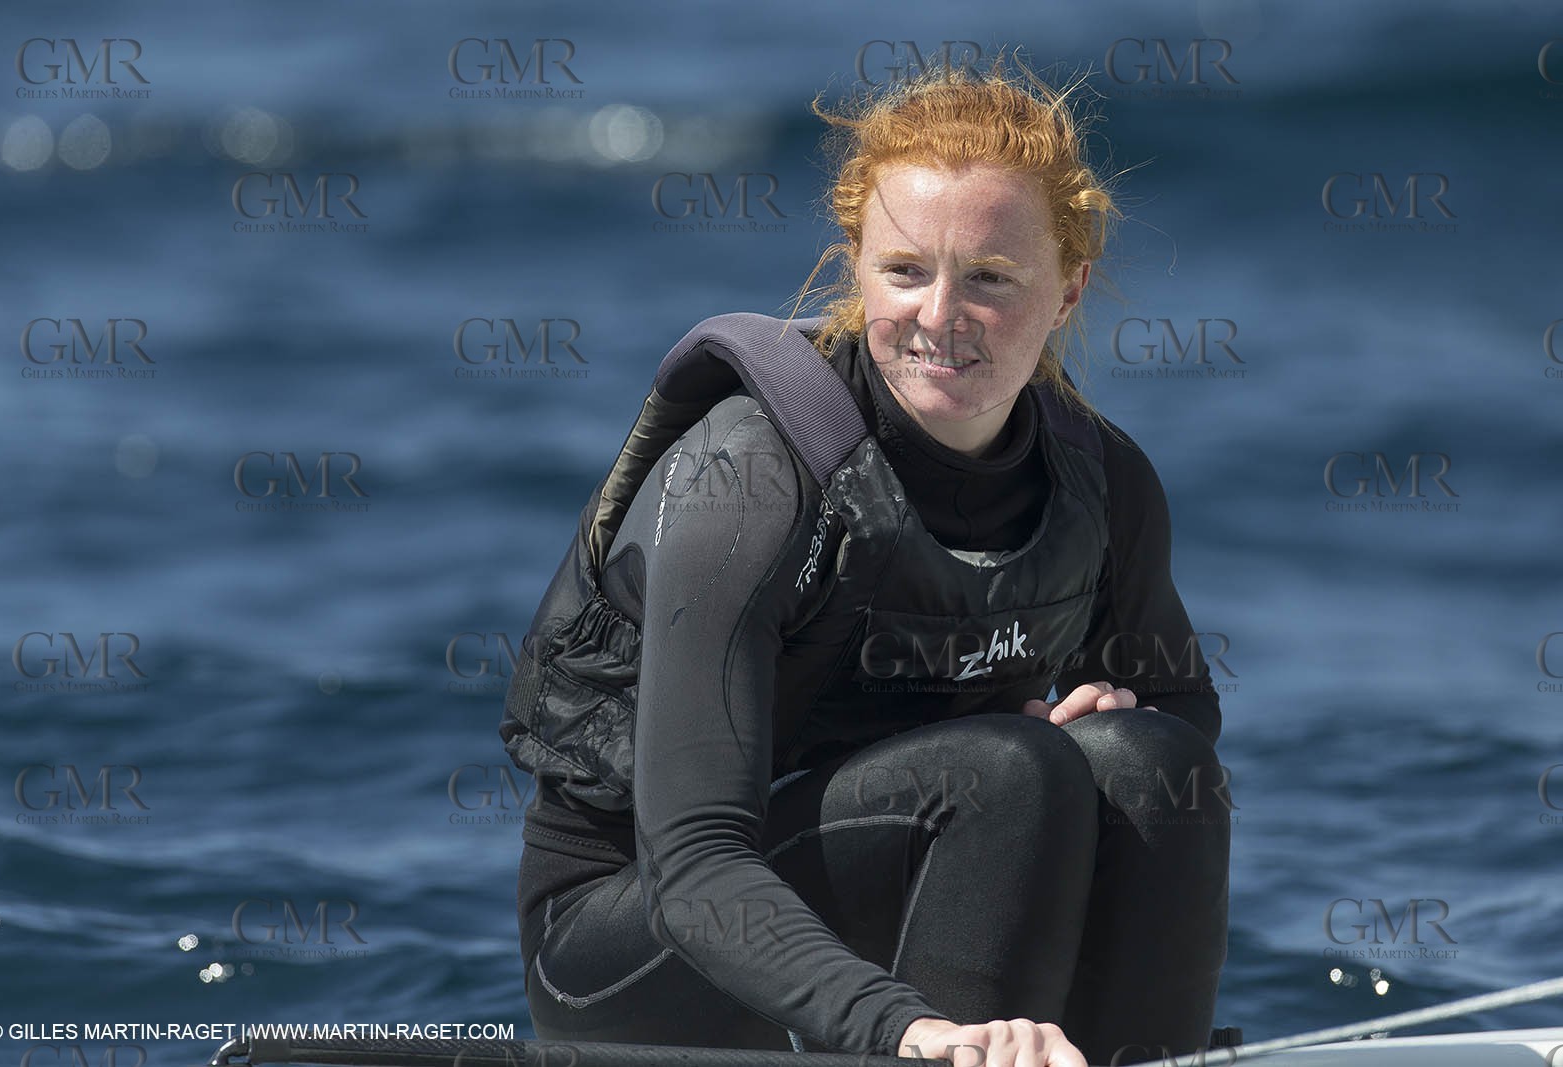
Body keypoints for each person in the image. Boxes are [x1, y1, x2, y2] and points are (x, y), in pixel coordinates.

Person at [501, 59, 1230, 1067]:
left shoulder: (1101, 483)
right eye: (903, 271)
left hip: (906, 906)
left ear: (1067, 289)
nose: (939, 316)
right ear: (855, 266)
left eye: (988, 278)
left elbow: (1183, 718)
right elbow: (696, 863)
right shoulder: (749, 477)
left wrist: (1112, 713)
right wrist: (907, 1028)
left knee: (1148, 763)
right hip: (638, 945)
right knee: (1002, 773)